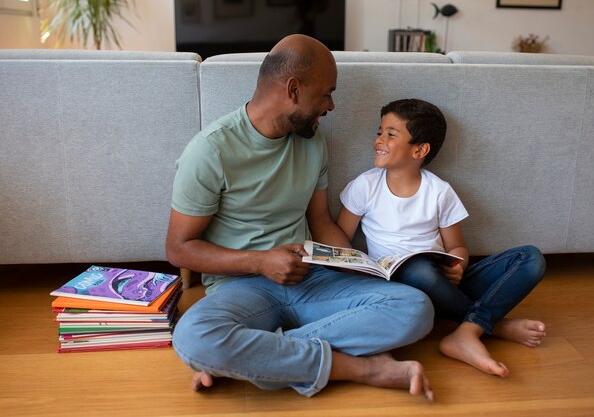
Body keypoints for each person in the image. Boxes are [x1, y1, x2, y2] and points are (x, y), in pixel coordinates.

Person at [166, 35, 435, 399]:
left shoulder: (313, 141)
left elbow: (321, 220)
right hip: (241, 287)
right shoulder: (210, 151)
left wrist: (364, 265)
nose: (332, 105)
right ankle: (362, 368)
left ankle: (257, 358)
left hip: (312, 277)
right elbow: (179, 249)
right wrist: (261, 262)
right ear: (293, 89)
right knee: (193, 336)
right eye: (326, 94)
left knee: (414, 307)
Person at [337, 98, 547, 377]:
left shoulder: (439, 191)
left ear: (420, 150)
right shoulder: (365, 185)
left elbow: (456, 245)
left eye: (391, 134)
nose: (379, 140)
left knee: (530, 258)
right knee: (419, 271)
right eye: (379, 132)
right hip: (399, 283)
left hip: (444, 282)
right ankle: (493, 325)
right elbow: (341, 241)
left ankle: (467, 331)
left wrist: (458, 265)